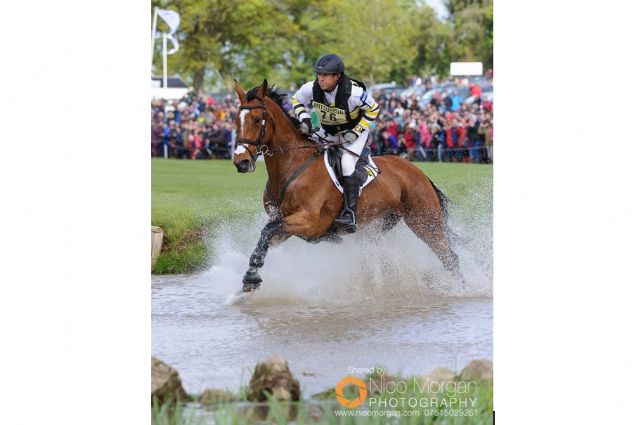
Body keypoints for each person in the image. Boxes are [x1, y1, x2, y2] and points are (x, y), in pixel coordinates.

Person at [291, 53, 380, 233]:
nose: (321, 79)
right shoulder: (311, 88)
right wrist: (305, 117)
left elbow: (374, 108)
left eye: (325, 75)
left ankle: (350, 213)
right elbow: (295, 100)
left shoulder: (353, 93)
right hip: (328, 131)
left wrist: (356, 132)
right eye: (319, 74)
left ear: (337, 76)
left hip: (353, 132)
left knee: (347, 163)